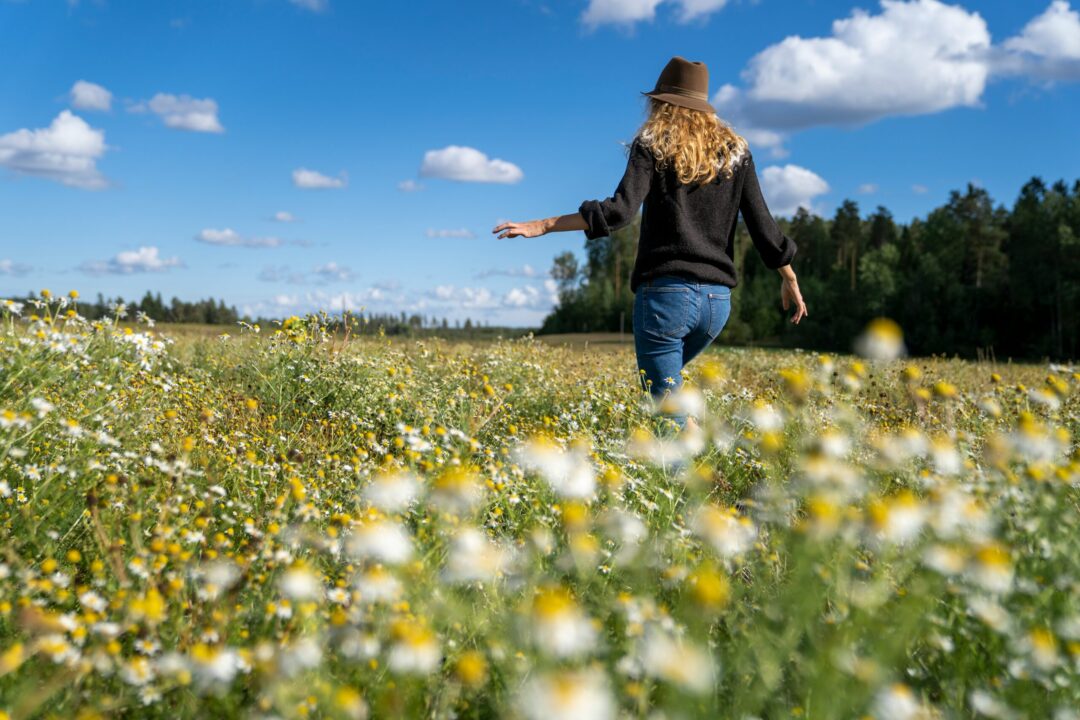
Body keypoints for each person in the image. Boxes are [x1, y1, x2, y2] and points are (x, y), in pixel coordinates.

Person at [493, 56, 808, 433]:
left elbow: (620, 211)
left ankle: (704, 478)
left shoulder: (653, 143)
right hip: (716, 306)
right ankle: (700, 447)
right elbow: (762, 225)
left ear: (662, 102)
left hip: (665, 299)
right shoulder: (736, 153)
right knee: (668, 397)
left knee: (665, 409)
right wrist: (788, 275)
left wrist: (542, 225)